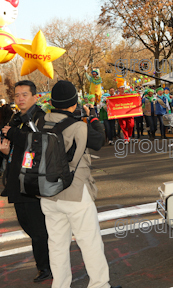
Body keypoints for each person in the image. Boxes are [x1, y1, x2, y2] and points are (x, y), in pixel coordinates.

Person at [36, 80, 121, 288]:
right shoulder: (77, 126)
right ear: (74, 103)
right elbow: (99, 141)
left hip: (47, 192)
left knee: (56, 244)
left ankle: (60, 285)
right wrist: (92, 117)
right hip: (73, 191)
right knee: (89, 241)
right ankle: (99, 285)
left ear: (53, 102)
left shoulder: (40, 123)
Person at [0, 80, 51, 283]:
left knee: (38, 229)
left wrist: (13, 134)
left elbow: (39, 145)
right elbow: (17, 150)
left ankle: (45, 266)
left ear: (35, 96)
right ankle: (47, 262)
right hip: (16, 180)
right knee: (27, 225)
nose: (20, 99)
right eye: (17, 95)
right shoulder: (16, 118)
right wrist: (5, 152)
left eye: (24, 95)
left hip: (33, 181)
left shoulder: (40, 118)